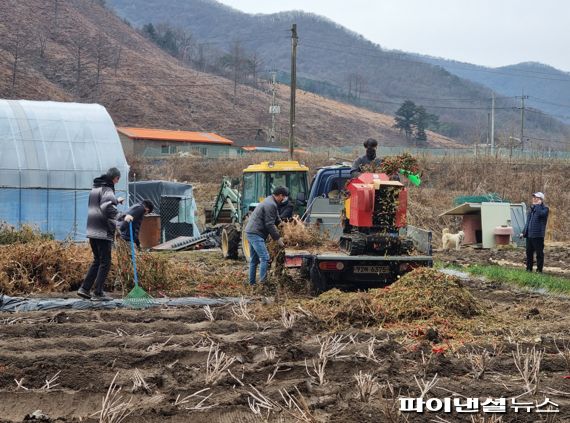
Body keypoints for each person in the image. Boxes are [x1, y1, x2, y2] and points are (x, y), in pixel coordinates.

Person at [77, 167, 124, 301]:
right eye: (117, 180)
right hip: (102, 230)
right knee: (105, 262)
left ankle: (84, 289)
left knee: (97, 260)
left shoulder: (95, 188)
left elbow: (100, 204)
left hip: (92, 229)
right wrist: (120, 216)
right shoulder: (107, 189)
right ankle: (98, 292)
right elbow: (106, 207)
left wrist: (116, 200)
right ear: (116, 179)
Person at [245, 186, 289, 285]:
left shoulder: (271, 201)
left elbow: (276, 218)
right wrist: (278, 239)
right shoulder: (270, 204)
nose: (284, 199)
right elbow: (269, 224)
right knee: (265, 258)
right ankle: (263, 284)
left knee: (254, 260)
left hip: (251, 231)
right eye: (284, 197)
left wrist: (284, 226)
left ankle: (252, 284)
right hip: (256, 233)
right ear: (280, 195)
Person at [520, 192, 549, 273]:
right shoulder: (531, 209)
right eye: (533, 197)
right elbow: (527, 222)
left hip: (538, 235)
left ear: (541, 200)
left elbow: (540, 214)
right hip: (529, 235)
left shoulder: (545, 209)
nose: (534, 199)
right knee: (529, 253)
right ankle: (529, 269)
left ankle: (539, 271)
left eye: (536, 198)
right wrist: (523, 232)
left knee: (539, 254)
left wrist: (538, 206)